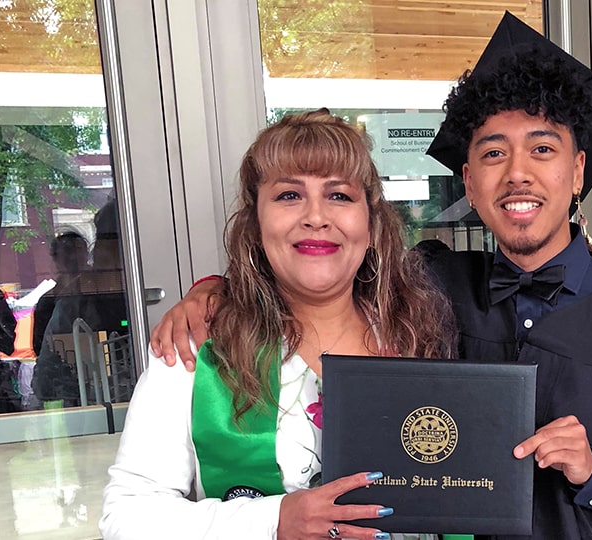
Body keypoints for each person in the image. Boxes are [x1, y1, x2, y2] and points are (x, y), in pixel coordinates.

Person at [152, 14, 592, 540]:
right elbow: (316, 267)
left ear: (578, 171)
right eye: (493, 153)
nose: (517, 174)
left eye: (542, 150)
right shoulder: (428, 287)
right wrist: (215, 293)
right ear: (469, 181)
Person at [101, 110, 455, 540]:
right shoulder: (197, 349)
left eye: (339, 196)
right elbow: (126, 518)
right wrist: (274, 520)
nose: (316, 216)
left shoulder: (417, 335)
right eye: (289, 195)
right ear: (256, 223)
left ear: (371, 221)